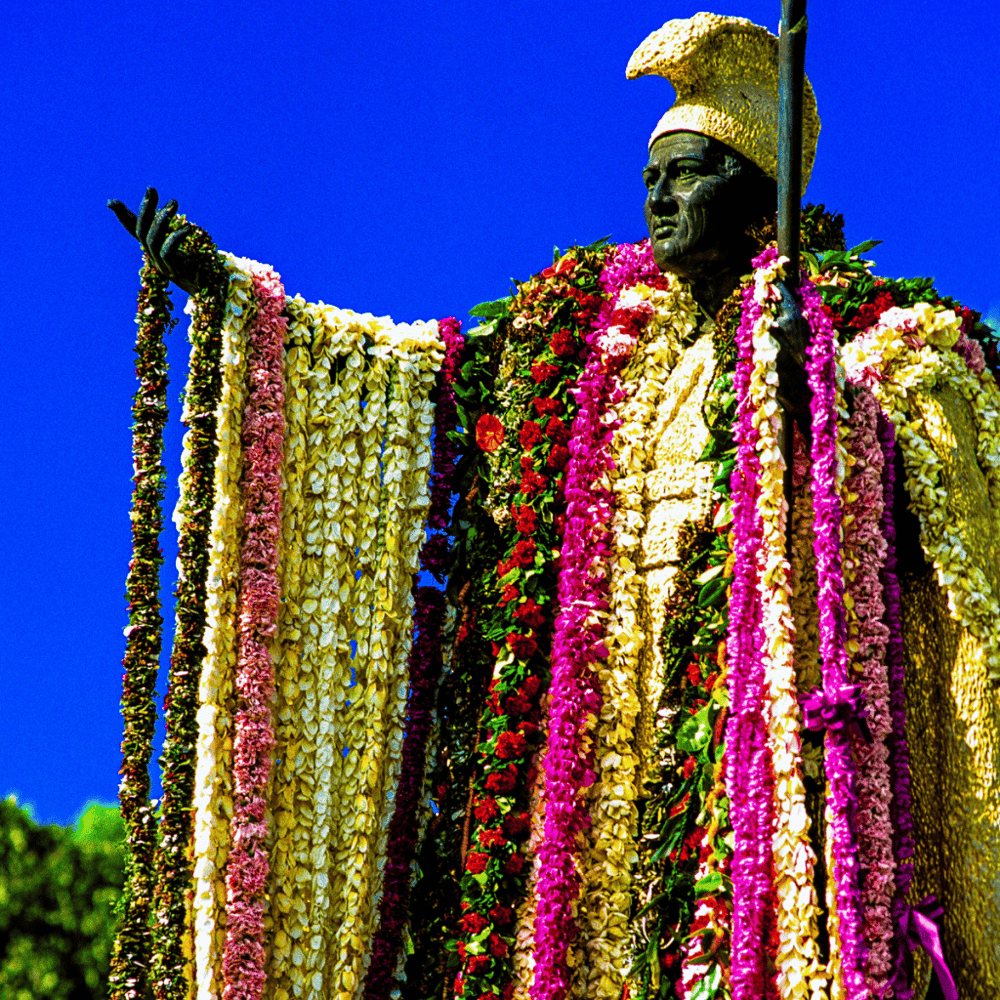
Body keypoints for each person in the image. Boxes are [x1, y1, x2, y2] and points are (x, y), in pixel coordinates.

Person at [108, 12, 997, 1000]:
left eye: (687, 174)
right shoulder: (583, 330)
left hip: (760, 733)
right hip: (597, 731)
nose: (658, 197)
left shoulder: (859, 332)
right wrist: (238, 297)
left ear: (757, 191)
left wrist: (824, 398)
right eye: (650, 177)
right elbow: (422, 378)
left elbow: (945, 473)